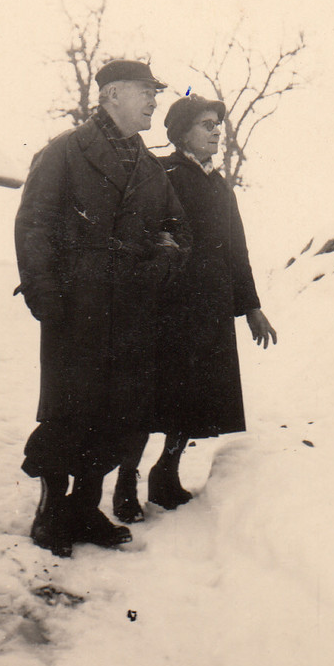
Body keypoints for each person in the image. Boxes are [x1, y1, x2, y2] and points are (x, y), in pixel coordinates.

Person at [14, 60, 191, 557]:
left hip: (133, 309)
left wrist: (165, 256)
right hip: (77, 305)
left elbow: (178, 226)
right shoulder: (65, 152)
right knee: (68, 409)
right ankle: (51, 510)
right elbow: (35, 225)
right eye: (145, 92)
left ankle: (86, 507)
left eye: (155, 93)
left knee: (118, 413)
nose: (154, 100)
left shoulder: (152, 167)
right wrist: (43, 292)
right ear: (112, 94)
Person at [112, 94, 277, 524]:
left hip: (208, 309)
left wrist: (251, 307)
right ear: (182, 132)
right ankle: (126, 480)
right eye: (207, 124)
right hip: (162, 306)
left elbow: (236, 249)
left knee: (193, 395)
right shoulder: (160, 173)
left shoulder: (220, 184)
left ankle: (167, 471)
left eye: (217, 125)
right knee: (149, 396)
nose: (216, 132)